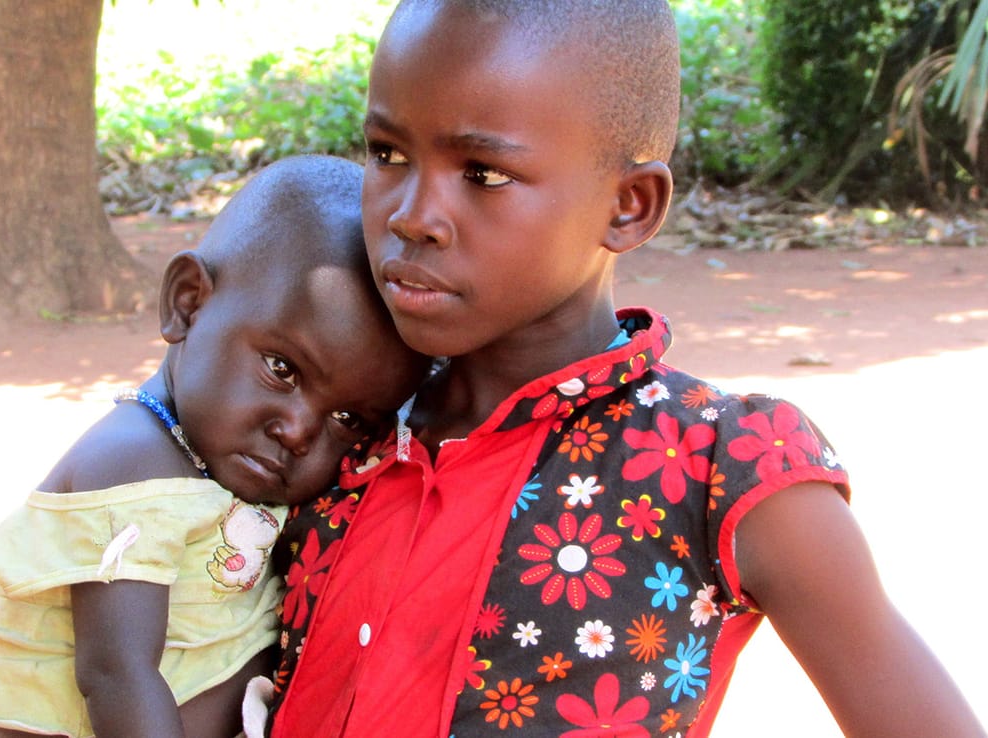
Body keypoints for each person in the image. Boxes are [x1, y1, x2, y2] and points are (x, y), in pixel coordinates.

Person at [260, 2, 987, 737]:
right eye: (388, 154)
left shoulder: (720, 464)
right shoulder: (334, 423)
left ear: (629, 206)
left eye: (483, 172)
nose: (413, 215)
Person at [0, 154, 430, 738]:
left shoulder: (219, 458)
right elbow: (117, 675)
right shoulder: (131, 467)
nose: (298, 431)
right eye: (282, 369)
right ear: (188, 302)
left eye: (346, 417)